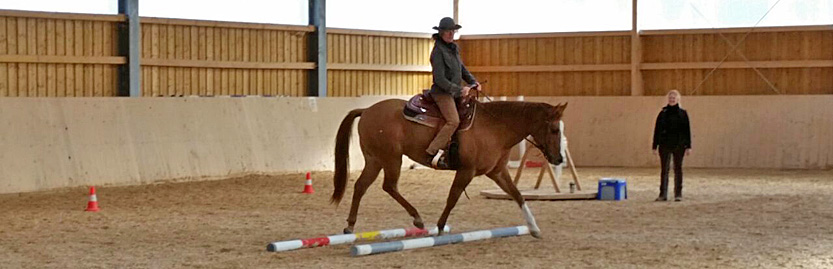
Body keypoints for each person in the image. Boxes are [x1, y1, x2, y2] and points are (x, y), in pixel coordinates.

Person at [425, 17, 480, 169]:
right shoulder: (437, 52)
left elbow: (462, 70)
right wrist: (459, 89)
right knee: (453, 121)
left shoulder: (454, 49)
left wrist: (474, 82)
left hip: (455, 92)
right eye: (448, 31)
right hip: (442, 93)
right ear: (441, 32)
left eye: (453, 31)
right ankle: (432, 151)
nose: (451, 34)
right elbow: (440, 79)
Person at [652, 90, 691, 202]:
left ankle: (678, 194)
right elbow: (657, 130)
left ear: (678, 99)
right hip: (664, 145)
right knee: (664, 170)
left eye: (674, 98)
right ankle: (662, 194)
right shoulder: (663, 113)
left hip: (679, 145)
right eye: (670, 98)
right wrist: (655, 146)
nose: (672, 99)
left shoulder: (683, 113)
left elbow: (687, 130)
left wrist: (688, 146)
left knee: (678, 169)